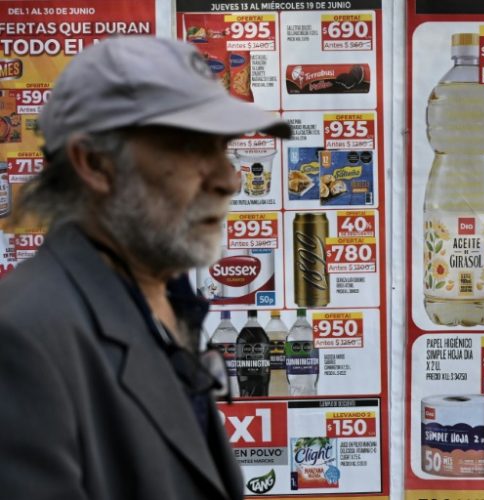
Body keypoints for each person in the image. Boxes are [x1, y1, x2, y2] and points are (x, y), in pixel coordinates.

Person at [0, 36, 290, 500]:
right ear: (95, 164)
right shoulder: (24, 338)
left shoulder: (166, 301)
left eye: (224, 146)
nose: (229, 178)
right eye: (193, 149)